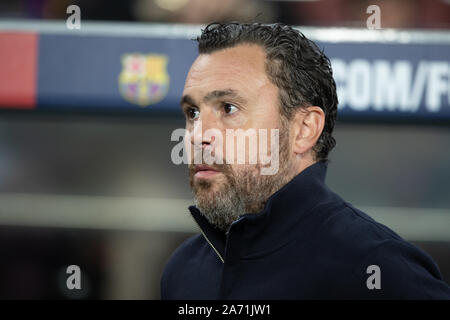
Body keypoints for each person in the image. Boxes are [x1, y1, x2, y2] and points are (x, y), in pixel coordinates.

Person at [161, 22, 450, 299]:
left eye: (228, 108)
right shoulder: (184, 270)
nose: (197, 136)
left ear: (304, 129)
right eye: (192, 113)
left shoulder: (375, 268)